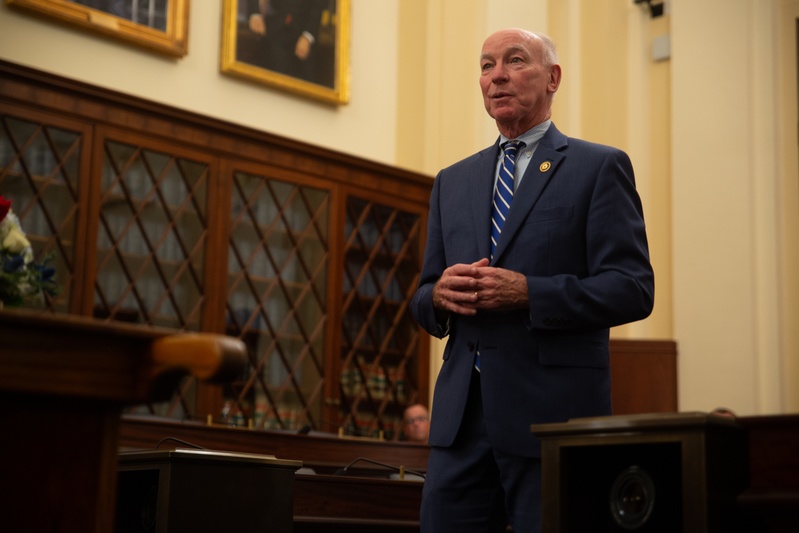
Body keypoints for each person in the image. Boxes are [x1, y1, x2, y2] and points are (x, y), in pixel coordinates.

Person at [409, 28, 655, 532]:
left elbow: (632, 287)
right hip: (460, 424)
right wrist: (437, 296)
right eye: (485, 65)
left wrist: (530, 293)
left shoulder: (597, 167)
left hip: (551, 418)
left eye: (514, 60)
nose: (496, 75)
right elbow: (422, 295)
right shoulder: (452, 182)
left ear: (552, 78)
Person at [245, 0, 326, 83]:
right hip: (273, 32)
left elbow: (318, 6)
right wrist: (254, 13)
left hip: (302, 39)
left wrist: (307, 37)